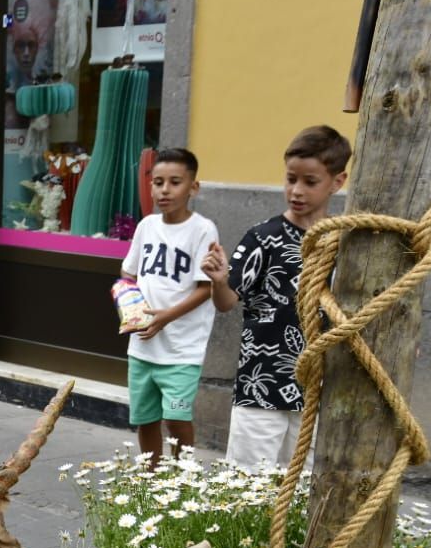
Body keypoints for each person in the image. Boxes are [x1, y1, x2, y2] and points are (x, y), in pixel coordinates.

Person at [202, 126, 352, 471]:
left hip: (318, 388)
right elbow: (225, 302)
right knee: (248, 484)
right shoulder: (262, 237)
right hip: (261, 384)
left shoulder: (343, 242)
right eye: (290, 179)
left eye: (309, 182)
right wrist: (219, 281)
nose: (296, 191)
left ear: (337, 181)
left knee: (305, 488)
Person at [121, 147, 223, 465]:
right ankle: (152, 479)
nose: (164, 190)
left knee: (176, 419)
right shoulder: (146, 226)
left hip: (181, 349)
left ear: (193, 187)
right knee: (145, 418)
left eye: (175, 182)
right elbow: (128, 274)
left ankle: (180, 479)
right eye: (158, 182)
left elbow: (206, 288)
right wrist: (129, 306)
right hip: (142, 345)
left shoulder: (202, 229)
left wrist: (166, 317)